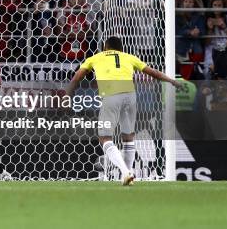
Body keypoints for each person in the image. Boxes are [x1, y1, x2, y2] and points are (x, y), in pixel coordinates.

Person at [66, 36, 182, 186]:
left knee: (105, 138)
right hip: (130, 97)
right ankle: (128, 175)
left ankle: (126, 172)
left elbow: (76, 78)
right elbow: (153, 73)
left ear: (105, 47)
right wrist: (172, 81)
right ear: (121, 48)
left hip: (111, 96)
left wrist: (67, 96)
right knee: (128, 137)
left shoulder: (95, 58)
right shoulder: (129, 57)